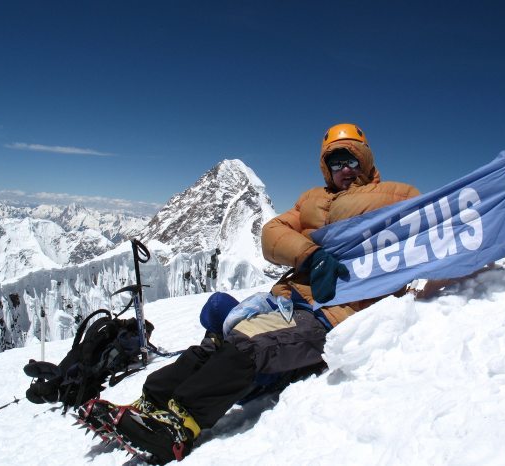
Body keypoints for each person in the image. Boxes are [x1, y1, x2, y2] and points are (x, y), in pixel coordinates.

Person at [77, 123, 421, 463]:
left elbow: (440, 226)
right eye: (336, 162)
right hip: (288, 300)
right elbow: (272, 233)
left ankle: (181, 424)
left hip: (331, 314)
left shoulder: (397, 195)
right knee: (216, 343)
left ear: (366, 160)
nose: (344, 169)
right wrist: (309, 254)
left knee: (249, 347)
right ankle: (151, 402)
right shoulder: (312, 199)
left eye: (351, 161)